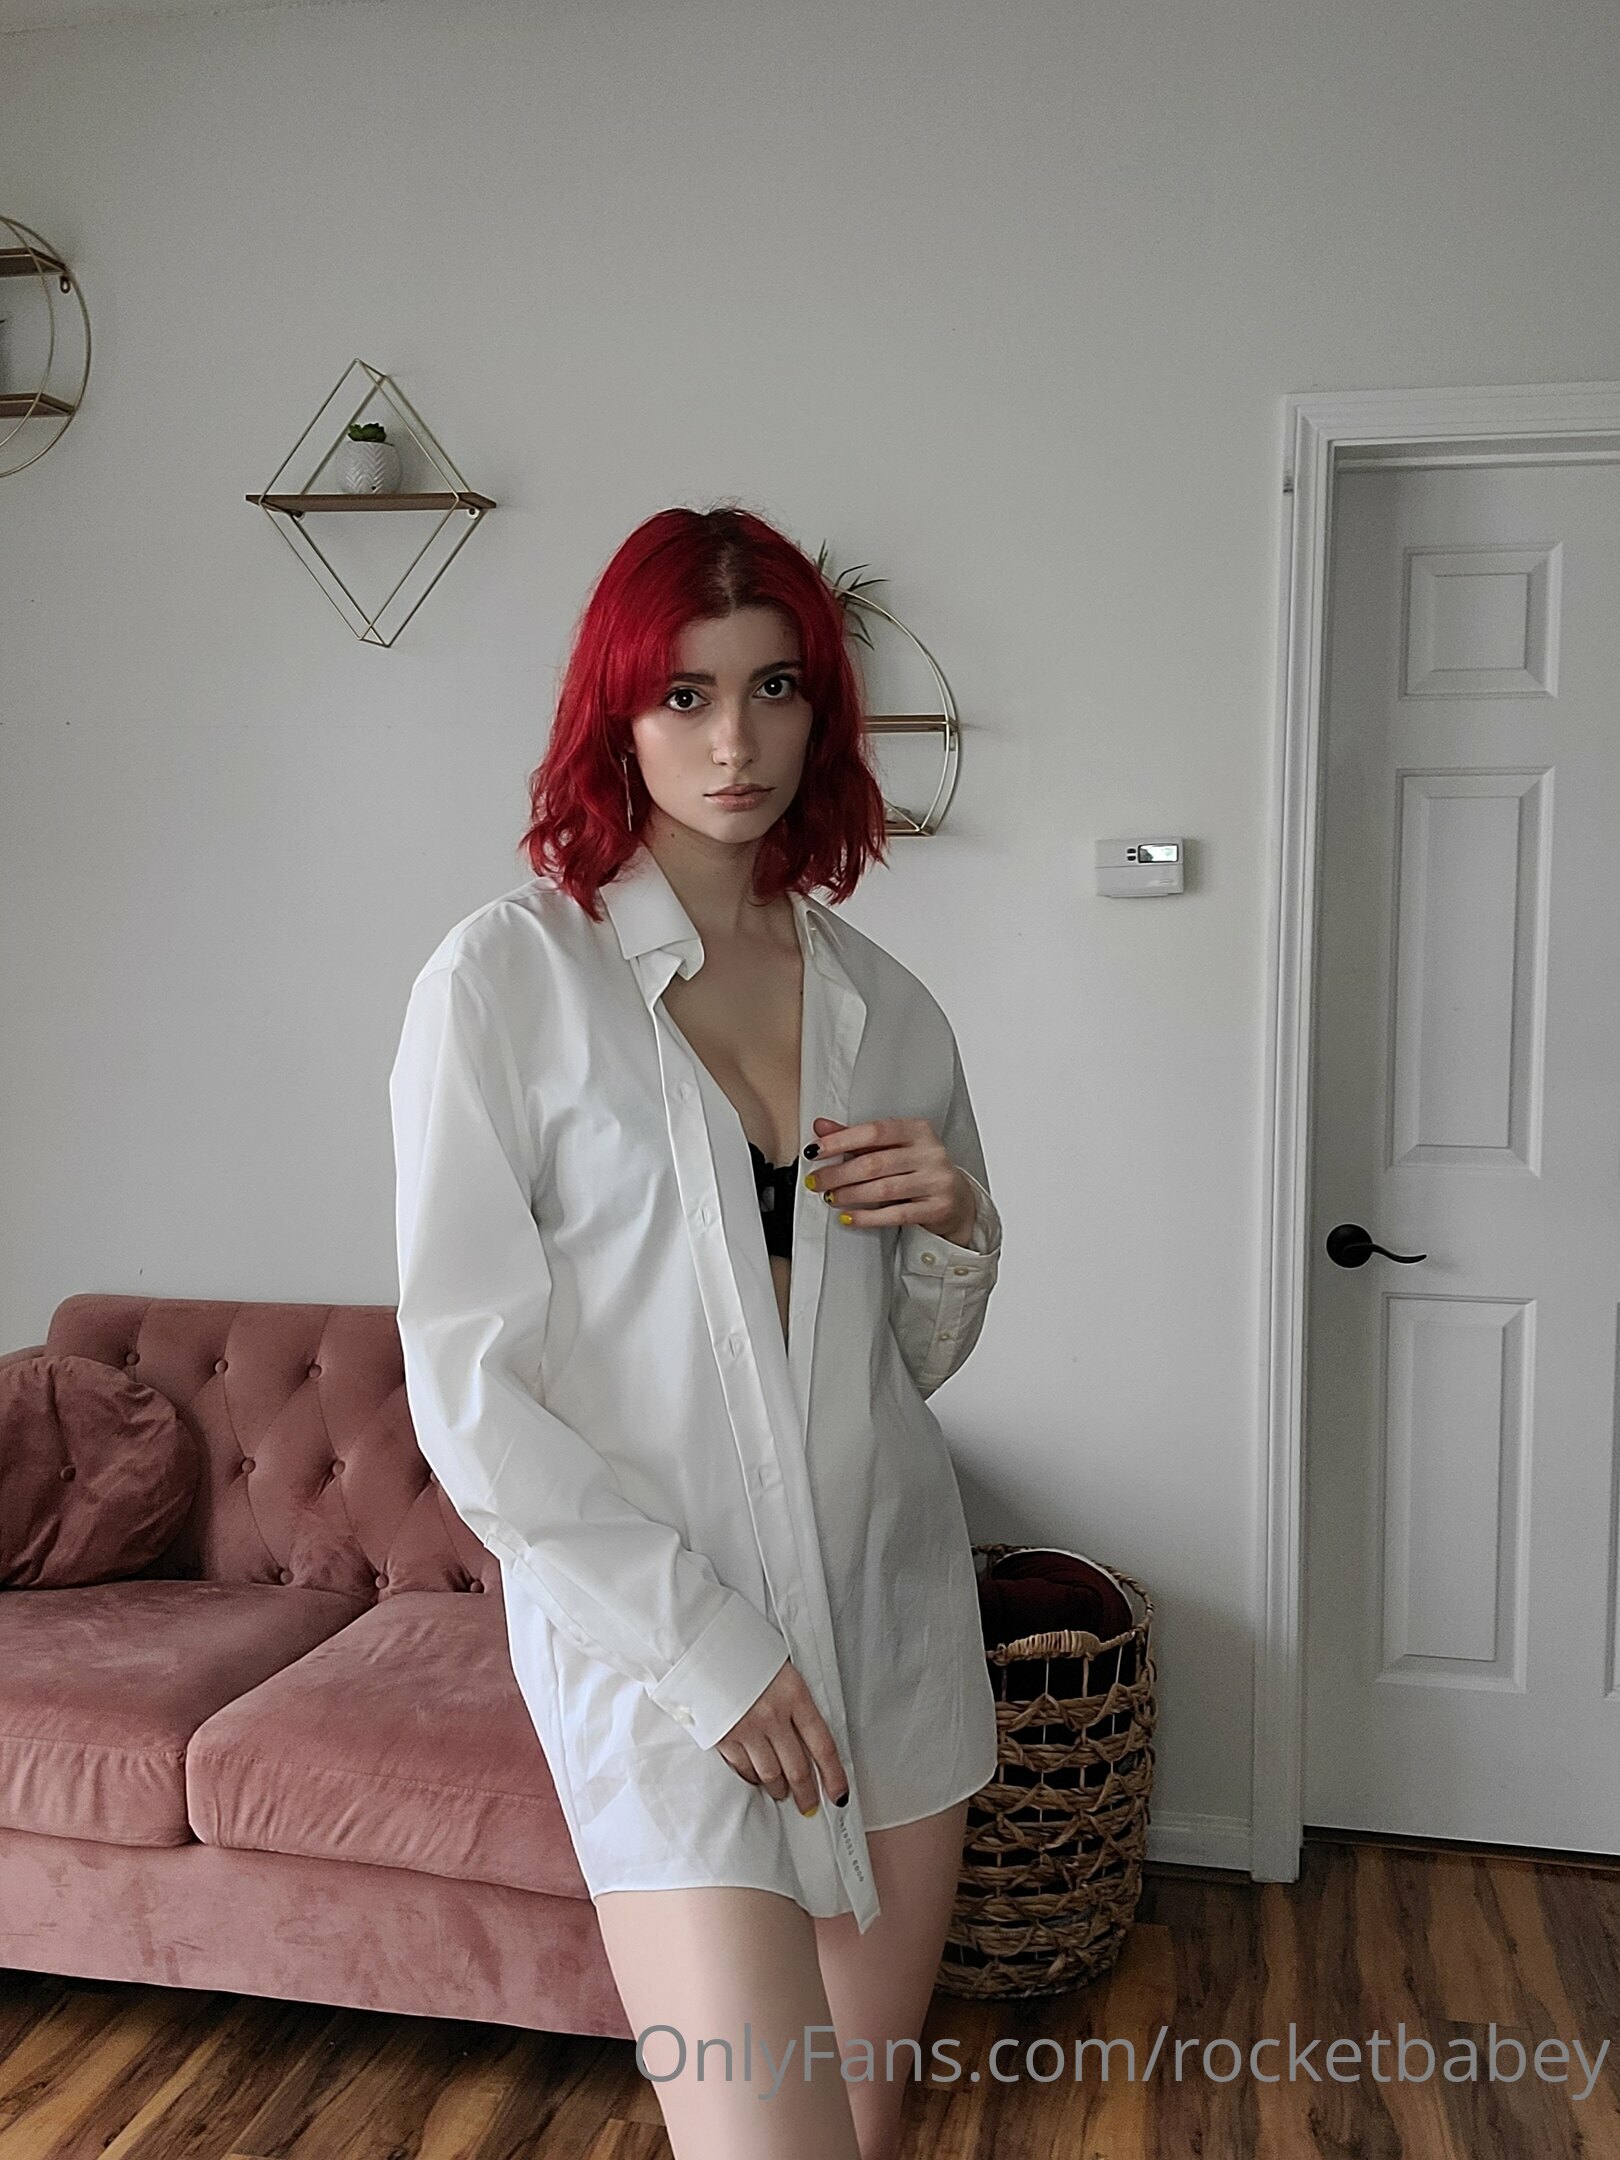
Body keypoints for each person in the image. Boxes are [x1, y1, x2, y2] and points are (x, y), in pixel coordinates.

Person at [389, 503, 1004, 2160]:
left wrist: (958, 1227)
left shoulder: (890, 1010)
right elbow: (469, 1394)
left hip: (889, 1631)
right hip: (672, 1673)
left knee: (864, 2133)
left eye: (774, 688)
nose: (736, 743)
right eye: (685, 695)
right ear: (618, 709)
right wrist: (708, 1657)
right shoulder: (508, 984)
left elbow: (903, 1369)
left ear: (823, 711)